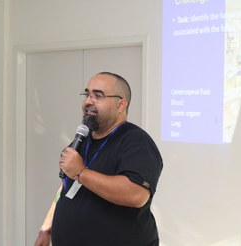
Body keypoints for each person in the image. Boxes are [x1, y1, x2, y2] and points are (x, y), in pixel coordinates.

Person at [34, 72, 163, 246]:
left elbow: (136, 194)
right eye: (87, 94)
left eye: (98, 96)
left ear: (120, 104)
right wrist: (47, 227)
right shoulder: (82, 140)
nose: (88, 101)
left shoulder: (136, 141)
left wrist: (81, 172)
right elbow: (66, 184)